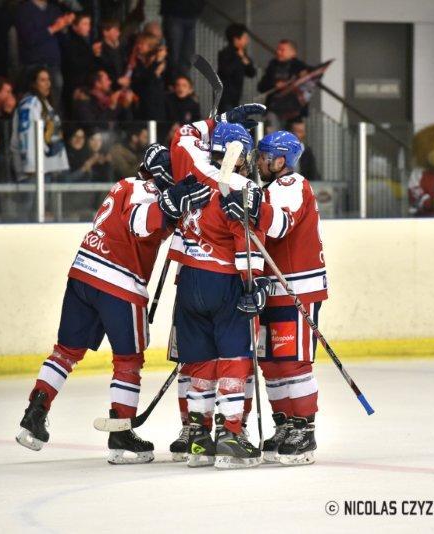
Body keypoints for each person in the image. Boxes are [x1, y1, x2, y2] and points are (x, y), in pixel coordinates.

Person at [16, 144, 211, 464]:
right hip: (119, 283)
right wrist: (172, 202)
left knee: (65, 352)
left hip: (82, 274)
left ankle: (35, 413)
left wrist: (177, 204)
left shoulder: (122, 185)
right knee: (129, 360)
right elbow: (140, 222)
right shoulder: (148, 192)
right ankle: (120, 433)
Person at [163, 103, 269, 469]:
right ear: (239, 156)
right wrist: (253, 287)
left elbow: (183, 134)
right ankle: (230, 436)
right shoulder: (241, 186)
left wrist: (219, 120)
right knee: (234, 358)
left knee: (200, 361)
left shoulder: (191, 168)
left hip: (189, 279)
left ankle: (197, 437)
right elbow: (247, 243)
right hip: (224, 281)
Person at [221, 130, 326, 466]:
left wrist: (254, 207)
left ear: (281, 160)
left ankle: (303, 427)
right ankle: (284, 423)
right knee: (271, 361)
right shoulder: (268, 188)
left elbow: (281, 225)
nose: (258, 161)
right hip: (272, 286)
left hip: (296, 286)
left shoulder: (292, 184)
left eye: (264, 155)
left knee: (293, 361)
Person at [15, 0, 74, 109]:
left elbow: (63, 40)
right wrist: (53, 28)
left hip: (53, 62)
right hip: (33, 62)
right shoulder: (24, 10)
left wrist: (65, 27)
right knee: (34, 99)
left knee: (54, 96)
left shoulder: (54, 9)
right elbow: (28, 39)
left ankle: (51, 122)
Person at [10, 67, 68, 179]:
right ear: (33, 84)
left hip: (47, 168)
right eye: (42, 80)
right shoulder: (29, 106)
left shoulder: (45, 104)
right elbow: (27, 136)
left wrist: (60, 164)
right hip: (34, 173)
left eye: (48, 79)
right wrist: (30, 166)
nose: (48, 84)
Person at [257, 39, 309, 124]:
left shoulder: (300, 67)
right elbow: (261, 86)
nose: (278, 52)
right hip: (274, 110)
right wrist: (275, 85)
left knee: (293, 136)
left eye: (282, 50)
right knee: (274, 135)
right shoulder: (273, 65)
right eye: (278, 49)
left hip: (294, 111)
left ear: (293, 52)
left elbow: (306, 89)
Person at [60, 12, 95, 114]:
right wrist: (91, 53)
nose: (88, 27)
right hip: (74, 85)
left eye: (89, 24)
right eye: (84, 24)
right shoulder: (71, 42)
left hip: (84, 82)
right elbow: (74, 64)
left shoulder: (85, 42)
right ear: (75, 26)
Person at [217, 23, 256, 113]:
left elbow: (252, 73)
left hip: (237, 96)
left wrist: (244, 59)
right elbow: (226, 71)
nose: (247, 41)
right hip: (225, 97)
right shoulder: (225, 53)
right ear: (236, 39)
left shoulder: (242, 54)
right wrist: (239, 58)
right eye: (245, 38)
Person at [159, 0, 203, 79]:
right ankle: (172, 82)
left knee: (187, 56)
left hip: (190, 14)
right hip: (174, 13)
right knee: (173, 55)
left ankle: (182, 82)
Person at [130, 32, 167, 121]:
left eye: (142, 44)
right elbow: (145, 80)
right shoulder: (138, 63)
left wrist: (157, 62)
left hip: (157, 106)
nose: (139, 46)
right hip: (142, 105)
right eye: (138, 43)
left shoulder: (162, 63)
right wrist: (156, 63)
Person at [93, 18, 126, 90]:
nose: (118, 33)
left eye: (118, 30)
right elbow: (103, 68)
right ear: (105, 32)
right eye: (115, 30)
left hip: (122, 85)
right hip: (108, 87)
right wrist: (116, 81)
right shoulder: (99, 48)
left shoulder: (120, 46)